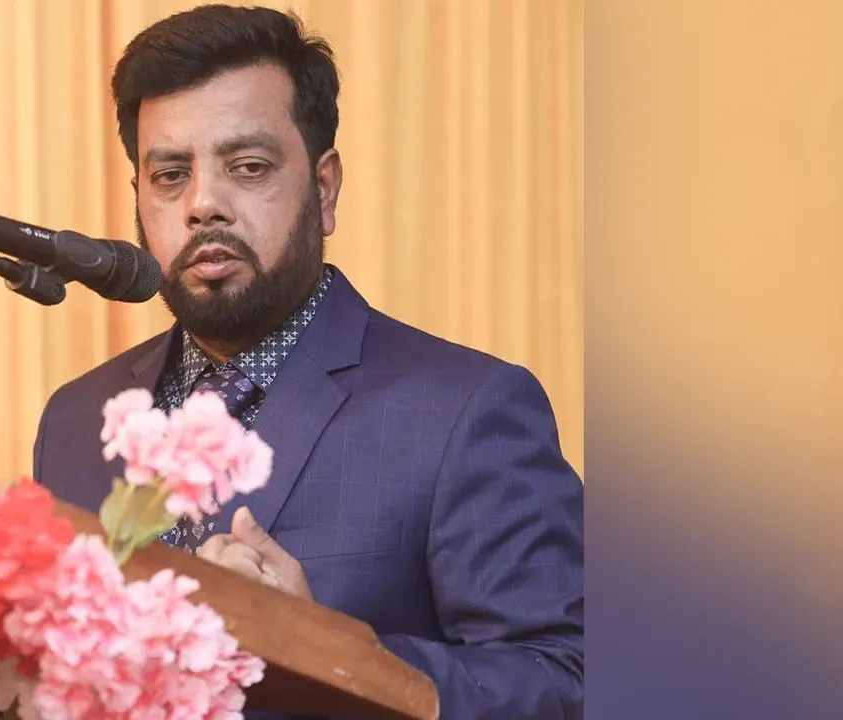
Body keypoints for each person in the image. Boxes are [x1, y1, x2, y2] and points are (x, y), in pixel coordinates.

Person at [32, 5, 584, 719]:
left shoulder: (465, 412)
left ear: (323, 190)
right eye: (169, 175)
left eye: (248, 168)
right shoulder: (79, 419)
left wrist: (323, 652)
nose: (203, 204)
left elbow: (567, 681)